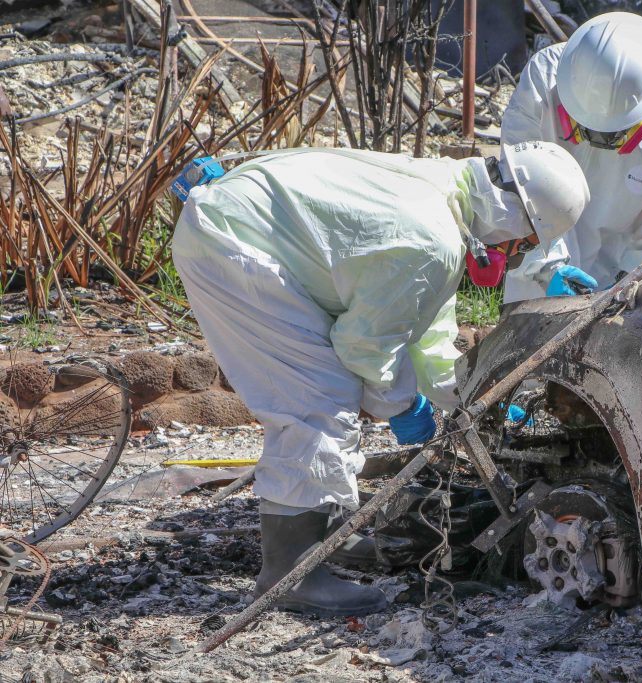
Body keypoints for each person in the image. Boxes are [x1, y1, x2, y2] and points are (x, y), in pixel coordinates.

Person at [172, 142, 589, 616]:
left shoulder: (444, 199)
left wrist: (466, 396)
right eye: (525, 244)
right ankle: (290, 575)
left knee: (329, 393)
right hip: (234, 244)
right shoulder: (432, 238)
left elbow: (425, 330)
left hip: (239, 227)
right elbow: (364, 347)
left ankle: (326, 537)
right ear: (513, 217)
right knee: (318, 401)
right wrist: (404, 405)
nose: (513, 255)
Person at [501, 11, 642, 301]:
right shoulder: (544, 80)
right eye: (585, 127)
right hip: (539, 269)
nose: (597, 140)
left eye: (612, 133)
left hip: (618, 275)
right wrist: (545, 268)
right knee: (527, 326)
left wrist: (633, 286)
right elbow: (516, 184)